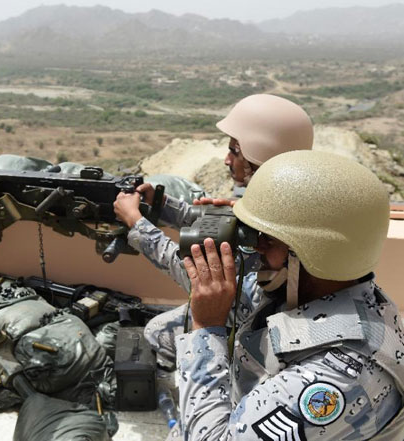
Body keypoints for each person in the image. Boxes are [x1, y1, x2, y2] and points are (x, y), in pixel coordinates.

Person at [177, 150, 404, 440]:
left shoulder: (337, 378)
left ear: (310, 254)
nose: (258, 247)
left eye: (267, 239)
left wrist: (206, 328)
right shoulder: (319, 292)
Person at [113, 94, 313, 369]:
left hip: (264, 330)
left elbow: (201, 278)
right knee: (158, 328)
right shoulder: (288, 198)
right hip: (264, 313)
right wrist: (160, 205)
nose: (227, 160)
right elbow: (213, 223)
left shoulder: (275, 231)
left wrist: (137, 224)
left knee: (159, 335)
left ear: (258, 158)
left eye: (235, 151)